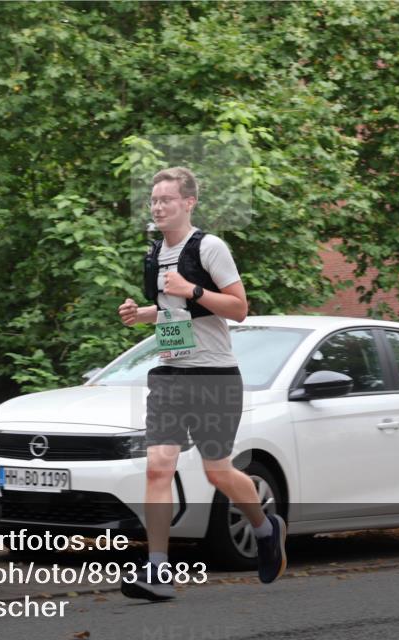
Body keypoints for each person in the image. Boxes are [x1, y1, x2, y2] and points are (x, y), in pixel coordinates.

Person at [117, 166, 286, 602]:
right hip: (170, 373)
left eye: (166, 200)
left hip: (214, 375)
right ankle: (158, 570)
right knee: (158, 467)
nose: (157, 207)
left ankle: (266, 529)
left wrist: (192, 289)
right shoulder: (154, 254)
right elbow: (175, 313)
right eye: (153, 200)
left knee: (217, 471)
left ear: (188, 203)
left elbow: (239, 308)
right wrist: (144, 315)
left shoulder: (210, 248)